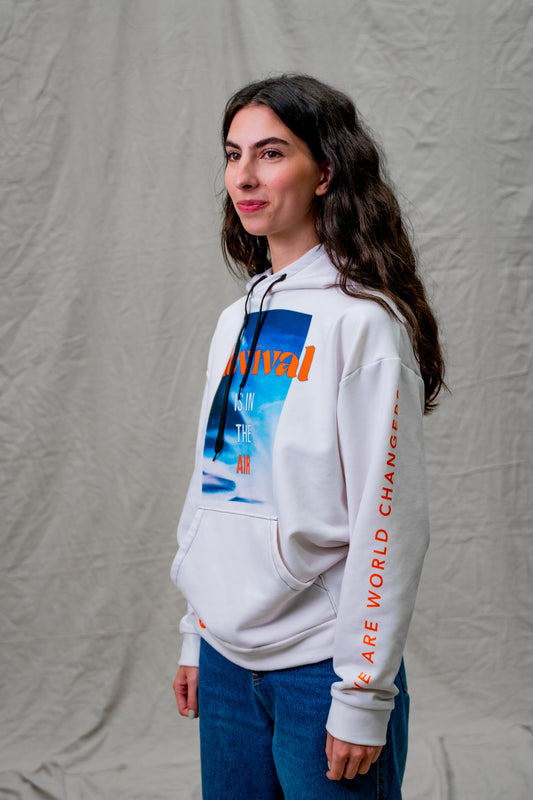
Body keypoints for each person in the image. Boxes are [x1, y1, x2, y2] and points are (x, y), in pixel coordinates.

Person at [171, 74, 444, 799]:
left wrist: (362, 693)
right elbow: (218, 480)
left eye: (270, 153)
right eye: (233, 155)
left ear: (324, 171)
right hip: (226, 664)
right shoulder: (238, 319)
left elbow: (389, 522)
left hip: (319, 673)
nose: (244, 177)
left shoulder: (364, 325)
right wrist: (198, 628)